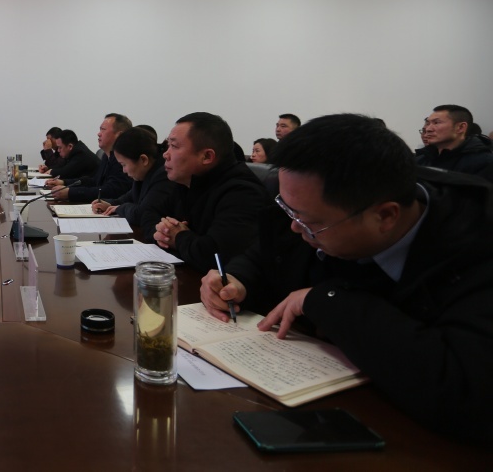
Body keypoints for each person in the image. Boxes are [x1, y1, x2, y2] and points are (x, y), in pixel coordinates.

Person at [199, 113, 493, 444]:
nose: (294, 227)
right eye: (287, 209)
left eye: (308, 222)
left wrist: (326, 299)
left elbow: (465, 392)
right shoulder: (313, 203)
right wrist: (239, 278)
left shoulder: (477, 246)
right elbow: (268, 254)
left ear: (385, 216)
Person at [153, 112, 268, 272]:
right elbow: (151, 213)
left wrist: (179, 237)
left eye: (174, 146)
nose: (165, 154)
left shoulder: (243, 193)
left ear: (207, 156)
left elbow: (215, 257)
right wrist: (164, 232)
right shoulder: (187, 182)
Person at [92, 128, 175, 242]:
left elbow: (142, 214)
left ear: (143, 160)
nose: (124, 170)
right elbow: (131, 195)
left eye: (124, 165)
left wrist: (120, 208)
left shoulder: (163, 175)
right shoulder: (145, 172)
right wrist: (111, 204)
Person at [48, 113, 133, 203]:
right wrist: (64, 183)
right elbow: (94, 181)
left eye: (103, 129)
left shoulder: (123, 160)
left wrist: (70, 193)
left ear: (119, 135)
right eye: (100, 129)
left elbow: (110, 191)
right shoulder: (106, 156)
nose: (98, 134)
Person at [417, 105, 493, 183]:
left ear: (460, 127)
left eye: (436, 123)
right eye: (428, 123)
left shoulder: (484, 162)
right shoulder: (421, 159)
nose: (428, 129)